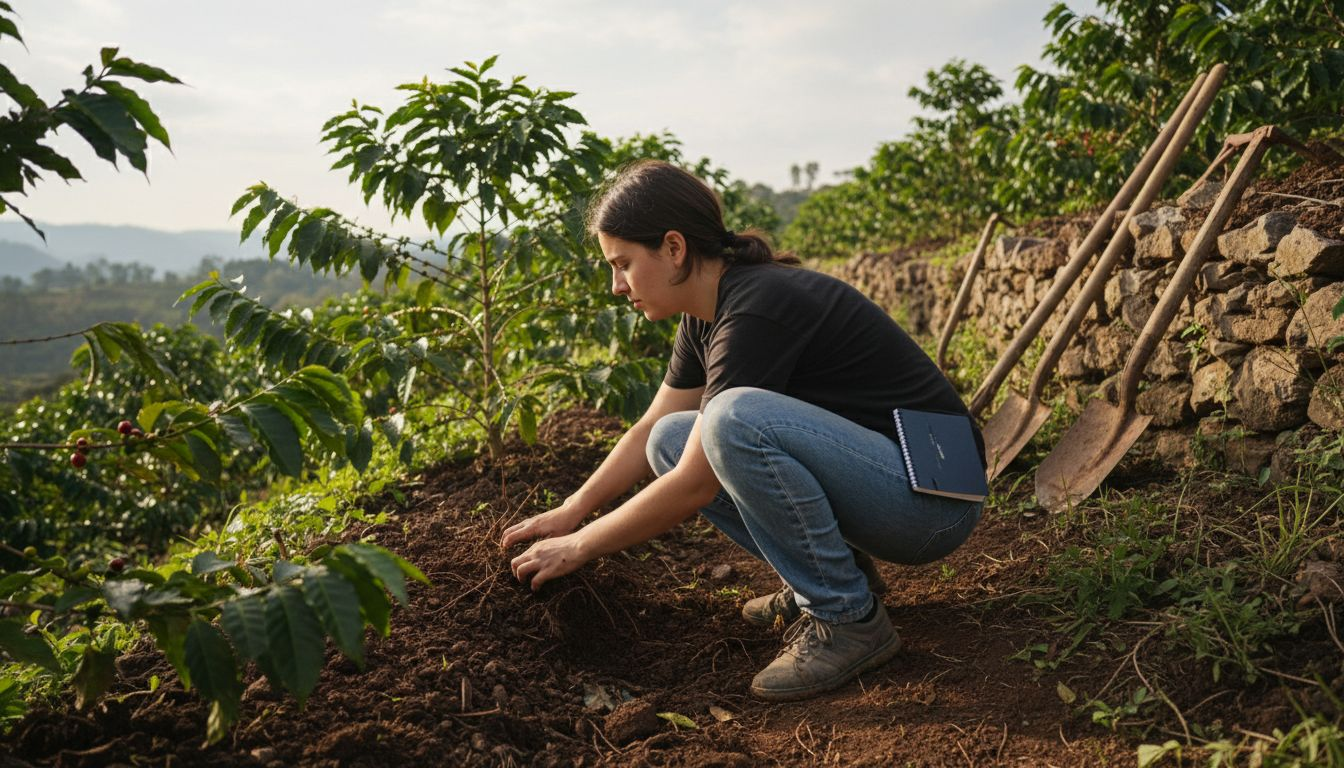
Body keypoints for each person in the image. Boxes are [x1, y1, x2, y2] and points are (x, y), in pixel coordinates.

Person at [502, 159, 985, 701]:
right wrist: (571, 510)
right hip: (891, 485)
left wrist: (580, 546)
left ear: (674, 248)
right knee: (673, 436)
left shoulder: (759, 306)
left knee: (731, 419)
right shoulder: (705, 315)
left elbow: (695, 484)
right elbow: (649, 430)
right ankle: (835, 579)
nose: (617, 286)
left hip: (934, 505)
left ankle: (846, 619)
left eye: (623, 264)